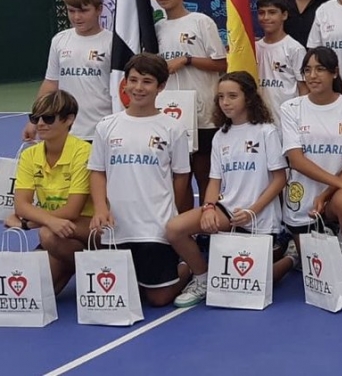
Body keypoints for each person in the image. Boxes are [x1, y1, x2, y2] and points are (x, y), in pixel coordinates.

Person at [166, 72, 294, 307]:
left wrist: (253, 210)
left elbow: (280, 178)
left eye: (232, 96)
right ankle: (202, 277)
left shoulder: (266, 132)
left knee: (255, 283)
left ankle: (290, 259)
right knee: (175, 229)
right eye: (221, 97)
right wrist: (208, 208)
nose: (225, 102)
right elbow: (214, 181)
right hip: (228, 211)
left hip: (260, 216)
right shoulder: (220, 136)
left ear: (249, 98)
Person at [88, 53, 191, 307]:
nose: (138, 87)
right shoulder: (106, 126)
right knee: (122, 293)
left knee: (158, 299)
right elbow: (97, 171)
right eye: (132, 80)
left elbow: (181, 176)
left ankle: (186, 268)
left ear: (161, 87)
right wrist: (101, 208)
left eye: (146, 81)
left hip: (154, 227)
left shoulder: (172, 128)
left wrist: (171, 214)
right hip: (117, 228)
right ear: (124, 83)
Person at [281, 47, 342, 305]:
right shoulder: (290, 109)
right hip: (302, 203)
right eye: (308, 70)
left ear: (334, 73)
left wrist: (328, 193)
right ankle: (333, 241)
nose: (313, 75)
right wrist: (339, 183)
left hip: (332, 198)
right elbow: (296, 160)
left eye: (320, 69)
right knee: (316, 271)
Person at [152, 0, 228, 207]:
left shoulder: (201, 22)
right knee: (177, 177)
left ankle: (209, 223)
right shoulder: (156, 29)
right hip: (171, 115)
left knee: (204, 173)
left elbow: (221, 63)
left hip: (203, 114)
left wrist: (186, 60)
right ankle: (183, 227)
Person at [7, 91, 94, 295]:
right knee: (37, 293)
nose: (40, 124)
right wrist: (48, 220)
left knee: (47, 235)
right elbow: (22, 205)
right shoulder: (30, 155)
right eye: (35, 118)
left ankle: (94, 265)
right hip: (60, 231)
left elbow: (73, 210)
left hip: (90, 229)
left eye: (48, 118)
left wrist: (32, 222)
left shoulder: (83, 151)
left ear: (69, 119)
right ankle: (73, 264)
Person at [24, 0, 112, 143]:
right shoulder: (60, 40)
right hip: (65, 130)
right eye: (71, 11)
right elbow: (51, 83)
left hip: (101, 130)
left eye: (84, 11)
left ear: (99, 9)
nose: (77, 17)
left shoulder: (112, 43)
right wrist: (35, 119)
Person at [255, 0, 307, 127]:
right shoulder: (253, 48)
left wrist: (301, 120)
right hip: (259, 124)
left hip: (287, 122)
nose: (266, 17)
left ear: (284, 15)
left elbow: (304, 88)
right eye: (261, 13)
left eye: (272, 12)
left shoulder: (294, 48)